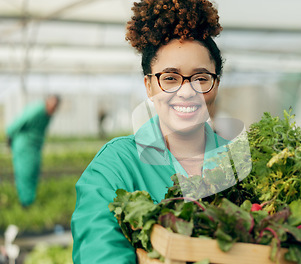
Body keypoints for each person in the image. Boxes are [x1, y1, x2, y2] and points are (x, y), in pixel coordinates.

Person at [71, 0, 235, 263]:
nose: (186, 91)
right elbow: (99, 251)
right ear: (149, 86)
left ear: (216, 83)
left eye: (201, 78)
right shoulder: (116, 164)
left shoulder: (237, 160)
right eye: (169, 78)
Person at [6, 95, 60, 207]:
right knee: (25, 172)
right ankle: (25, 203)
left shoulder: (48, 115)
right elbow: (20, 121)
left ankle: (30, 200)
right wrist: (10, 134)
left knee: (34, 171)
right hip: (24, 144)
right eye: (52, 104)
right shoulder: (37, 110)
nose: (53, 108)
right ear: (47, 101)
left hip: (34, 146)